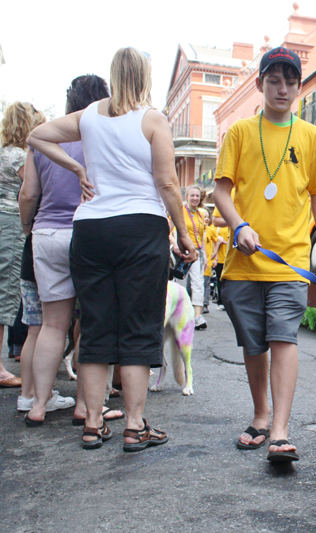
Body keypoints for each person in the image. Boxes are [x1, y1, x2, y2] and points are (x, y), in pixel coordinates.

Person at [27, 47, 196, 450]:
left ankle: (93, 423)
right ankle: (135, 426)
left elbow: (36, 136)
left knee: (96, 325)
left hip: (90, 228)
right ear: (145, 77)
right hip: (140, 227)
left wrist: (77, 167)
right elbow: (167, 183)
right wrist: (183, 232)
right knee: (138, 325)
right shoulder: (153, 119)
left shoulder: (88, 116)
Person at [212, 46, 316, 460]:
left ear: (299, 87)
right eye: (274, 80)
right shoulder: (240, 133)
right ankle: (261, 414)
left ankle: (280, 429)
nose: (282, 89)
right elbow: (220, 191)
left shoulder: (312, 137)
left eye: (290, 81)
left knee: (284, 338)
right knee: (254, 344)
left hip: (290, 260)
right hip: (244, 262)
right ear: (260, 84)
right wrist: (239, 225)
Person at [18, 75, 113, 423]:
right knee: (91, 323)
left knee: (52, 325)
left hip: (46, 234)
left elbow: (28, 194)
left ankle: (38, 405)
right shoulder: (100, 135)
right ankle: (86, 406)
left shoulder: (44, 138)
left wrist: (29, 228)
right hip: (87, 232)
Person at [0, 102, 42, 388]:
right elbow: (32, 190)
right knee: (6, 293)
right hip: (11, 223)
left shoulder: (4, 152)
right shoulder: (19, 156)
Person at [170, 185, 207, 330]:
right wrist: (175, 244)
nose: (195, 198)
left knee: (198, 283)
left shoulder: (201, 215)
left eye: (197, 196)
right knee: (178, 284)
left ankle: (197, 316)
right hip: (181, 252)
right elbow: (169, 230)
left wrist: (205, 256)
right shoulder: (179, 211)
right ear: (186, 197)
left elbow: (201, 238)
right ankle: (177, 314)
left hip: (196, 253)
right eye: (192, 195)